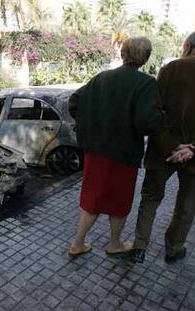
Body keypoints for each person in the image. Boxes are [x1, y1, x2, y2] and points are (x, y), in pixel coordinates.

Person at [67, 37, 164, 258]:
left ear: (123, 54)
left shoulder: (102, 77)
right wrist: (162, 117)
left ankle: (78, 244)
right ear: (146, 58)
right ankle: (114, 244)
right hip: (123, 154)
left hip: (96, 152)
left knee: (92, 200)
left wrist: (94, 123)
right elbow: (147, 122)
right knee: (119, 201)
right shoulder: (146, 83)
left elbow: (74, 103)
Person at [128, 29, 195, 264]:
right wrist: (193, 149)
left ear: (188, 46)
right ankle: (173, 249)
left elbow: (153, 114)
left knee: (150, 198)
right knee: (186, 205)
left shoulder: (171, 69)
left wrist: (172, 147)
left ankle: (139, 246)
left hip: (163, 151)